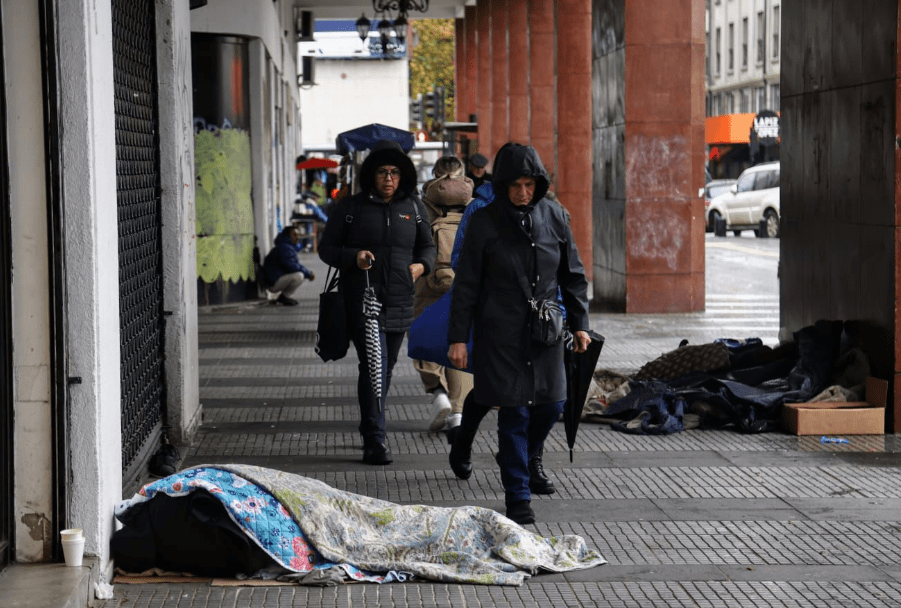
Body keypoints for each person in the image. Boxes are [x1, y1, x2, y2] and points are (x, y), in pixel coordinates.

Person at [447, 143, 591, 525]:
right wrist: (458, 337)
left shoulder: (555, 216)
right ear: (502, 184)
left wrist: (580, 324)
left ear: (539, 184)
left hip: (545, 331)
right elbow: (466, 285)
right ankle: (517, 495)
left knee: (551, 404)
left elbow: (573, 275)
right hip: (500, 331)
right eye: (515, 185)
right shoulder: (484, 221)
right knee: (513, 412)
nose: (523, 193)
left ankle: (519, 456)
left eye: (529, 185)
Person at [318, 139, 436, 466]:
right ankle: (375, 438)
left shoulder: (413, 208)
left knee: (386, 368)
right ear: (371, 174)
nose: (388, 179)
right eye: (382, 172)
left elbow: (428, 247)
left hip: (401, 299)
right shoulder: (350, 207)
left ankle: (371, 423)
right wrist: (353, 257)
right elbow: (326, 249)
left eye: (394, 173)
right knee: (374, 365)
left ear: (403, 176)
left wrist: (421, 266)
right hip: (362, 300)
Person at [412, 156, 475, 433]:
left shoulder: (422, 202)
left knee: (424, 338)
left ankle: (438, 393)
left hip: (428, 284)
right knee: (460, 345)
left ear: (435, 174)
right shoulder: (474, 203)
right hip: (464, 285)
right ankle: (459, 412)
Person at [262, 226, 315, 306]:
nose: (296, 237)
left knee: (300, 273)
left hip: (273, 280)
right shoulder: (284, 248)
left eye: (297, 235)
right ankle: (284, 297)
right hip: (273, 283)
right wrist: (309, 274)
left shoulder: (286, 246)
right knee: (299, 276)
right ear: (287, 236)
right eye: (294, 234)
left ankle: (284, 297)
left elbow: (293, 264)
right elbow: (291, 266)